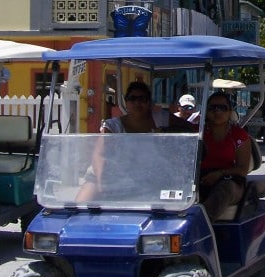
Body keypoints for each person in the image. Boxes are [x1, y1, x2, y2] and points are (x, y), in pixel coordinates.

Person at [77, 83, 190, 201]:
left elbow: (190, 129)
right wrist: (102, 182)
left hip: (154, 174)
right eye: (132, 99)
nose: (137, 103)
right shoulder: (113, 126)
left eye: (143, 99)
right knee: (82, 202)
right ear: (126, 102)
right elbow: (99, 155)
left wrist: (165, 131)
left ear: (149, 102)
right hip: (115, 174)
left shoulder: (162, 118)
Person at [199, 91, 252, 221]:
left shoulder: (238, 135)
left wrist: (219, 174)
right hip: (201, 177)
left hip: (230, 180)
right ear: (206, 112)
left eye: (222, 108)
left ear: (230, 112)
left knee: (224, 189)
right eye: (212, 108)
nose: (217, 112)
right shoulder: (198, 132)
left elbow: (242, 169)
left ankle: (201, 222)